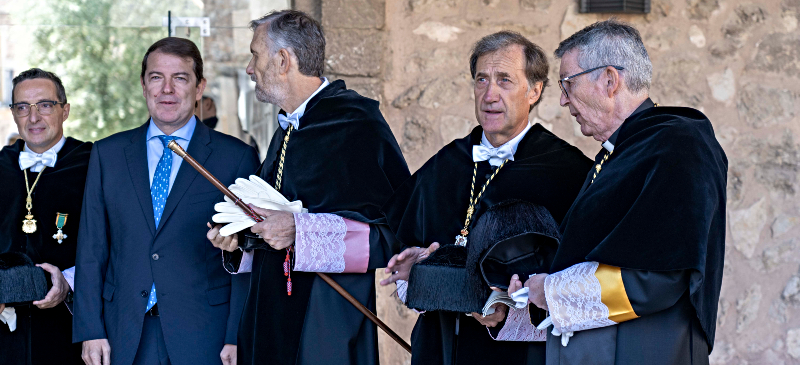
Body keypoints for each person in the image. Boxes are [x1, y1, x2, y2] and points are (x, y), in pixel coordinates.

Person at [517, 19, 727, 364]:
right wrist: (535, 290)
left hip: (641, 348)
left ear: (610, 81)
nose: (562, 101)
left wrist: (552, 291)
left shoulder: (679, 143)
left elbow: (660, 276)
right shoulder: (622, 151)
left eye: (567, 84)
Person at [206, 10, 410, 365]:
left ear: (283, 60)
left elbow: (395, 234)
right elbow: (272, 231)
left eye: (255, 55)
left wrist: (302, 231)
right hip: (270, 316)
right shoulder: (287, 131)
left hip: (325, 323)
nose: (250, 69)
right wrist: (239, 240)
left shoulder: (357, 125)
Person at [379, 31, 593, 365]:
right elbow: (418, 248)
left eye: (505, 80)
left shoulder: (569, 172)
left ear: (534, 91)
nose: (489, 95)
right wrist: (416, 271)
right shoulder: (445, 164)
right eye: (482, 80)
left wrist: (508, 314)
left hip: (520, 356)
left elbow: (578, 284)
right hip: (440, 346)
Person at [73, 37, 260, 365]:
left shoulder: (236, 158)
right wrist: (90, 329)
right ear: (144, 85)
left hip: (206, 336)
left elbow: (247, 259)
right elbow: (91, 250)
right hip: (125, 334)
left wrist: (236, 335)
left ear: (199, 88)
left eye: (180, 78)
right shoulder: (107, 154)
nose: (167, 89)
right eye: (157, 77)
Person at [0, 68, 91, 365]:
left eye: (45, 105)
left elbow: (117, 240)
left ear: (64, 111)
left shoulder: (93, 164)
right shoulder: (1, 165)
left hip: (70, 327)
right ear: (14, 114)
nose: (34, 117)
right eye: (23, 107)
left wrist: (69, 281)